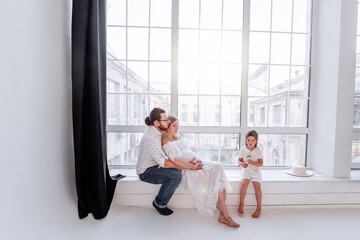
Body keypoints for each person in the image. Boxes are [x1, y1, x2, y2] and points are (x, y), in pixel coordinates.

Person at [161, 115, 240, 228]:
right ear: (167, 126)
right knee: (212, 176)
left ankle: (222, 210)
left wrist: (196, 161)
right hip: (188, 169)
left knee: (218, 167)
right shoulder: (165, 142)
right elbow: (176, 161)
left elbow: (187, 152)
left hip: (198, 163)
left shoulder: (178, 138)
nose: (177, 127)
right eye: (174, 125)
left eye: (178, 125)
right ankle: (224, 212)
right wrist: (191, 166)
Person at [136, 108, 201, 216]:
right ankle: (159, 203)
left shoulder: (157, 131)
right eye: (166, 120)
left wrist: (186, 164)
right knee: (175, 176)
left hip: (155, 165)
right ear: (157, 123)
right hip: (146, 172)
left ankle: (170, 187)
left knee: (178, 170)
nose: (169, 122)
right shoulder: (150, 138)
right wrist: (189, 166)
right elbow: (164, 163)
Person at [237, 130, 263, 218]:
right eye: (248, 140)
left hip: (255, 171)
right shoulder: (243, 150)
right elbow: (239, 161)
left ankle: (259, 208)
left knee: (257, 188)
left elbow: (261, 163)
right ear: (245, 140)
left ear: (256, 141)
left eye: (252, 140)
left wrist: (253, 163)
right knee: (244, 184)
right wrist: (242, 164)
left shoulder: (258, 151)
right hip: (246, 171)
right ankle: (241, 204)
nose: (250, 142)